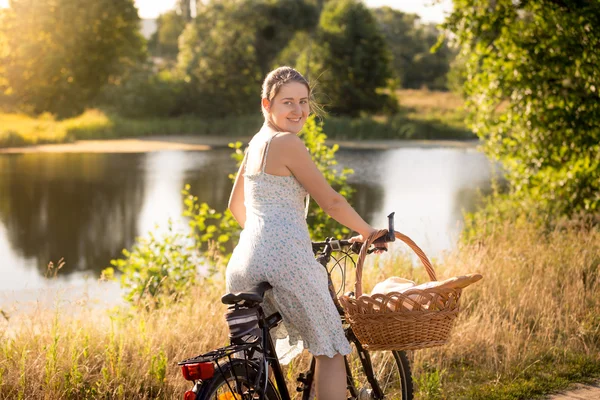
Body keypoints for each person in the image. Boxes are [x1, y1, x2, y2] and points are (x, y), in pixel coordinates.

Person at [226, 66, 385, 400]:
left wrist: (266, 239)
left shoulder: (256, 143)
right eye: (287, 102)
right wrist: (369, 232)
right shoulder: (287, 143)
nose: (298, 110)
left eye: (303, 101)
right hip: (284, 260)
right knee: (330, 349)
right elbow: (331, 201)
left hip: (243, 261)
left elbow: (235, 207)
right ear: (266, 105)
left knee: (259, 359)